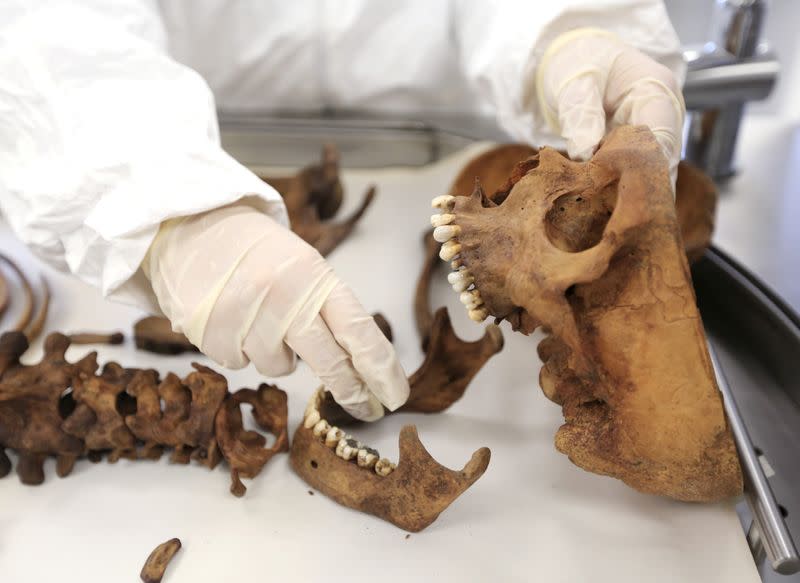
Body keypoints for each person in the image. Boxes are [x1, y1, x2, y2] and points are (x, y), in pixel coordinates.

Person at [0, 1, 685, 421]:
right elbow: (46, 20)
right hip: (187, 146)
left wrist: (569, 33)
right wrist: (163, 199)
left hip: (457, 133)